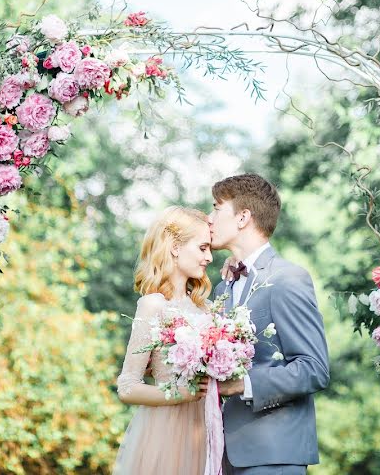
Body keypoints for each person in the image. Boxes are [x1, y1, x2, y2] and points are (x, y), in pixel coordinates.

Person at [209, 174, 330, 474]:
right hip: (221, 454)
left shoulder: (287, 279)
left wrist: (242, 384)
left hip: (273, 456)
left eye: (215, 208)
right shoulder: (221, 288)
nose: (208, 219)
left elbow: (314, 369)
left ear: (243, 217)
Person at [113, 206, 214, 475]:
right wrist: (182, 394)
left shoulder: (208, 309)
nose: (210, 257)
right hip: (165, 432)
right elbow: (127, 387)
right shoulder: (152, 306)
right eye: (203, 248)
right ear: (175, 247)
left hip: (208, 430)